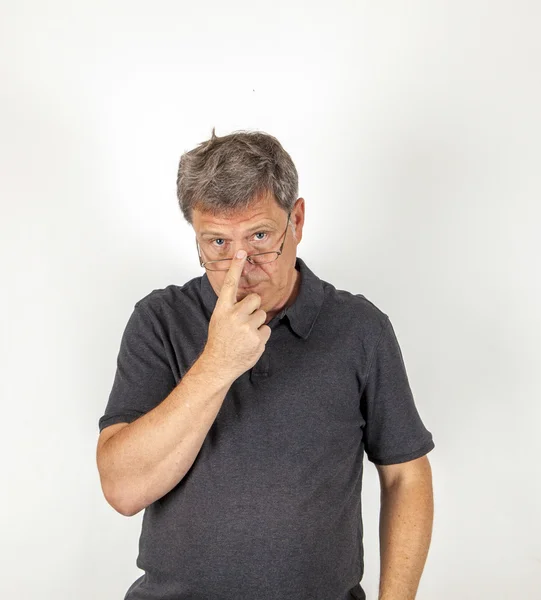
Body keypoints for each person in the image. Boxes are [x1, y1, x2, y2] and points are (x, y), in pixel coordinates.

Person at [96, 128, 435, 600]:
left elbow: (405, 473)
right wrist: (217, 363)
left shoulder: (361, 328)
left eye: (259, 236)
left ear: (296, 220)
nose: (241, 265)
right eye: (216, 243)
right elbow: (122, 490)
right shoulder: (159, 320)